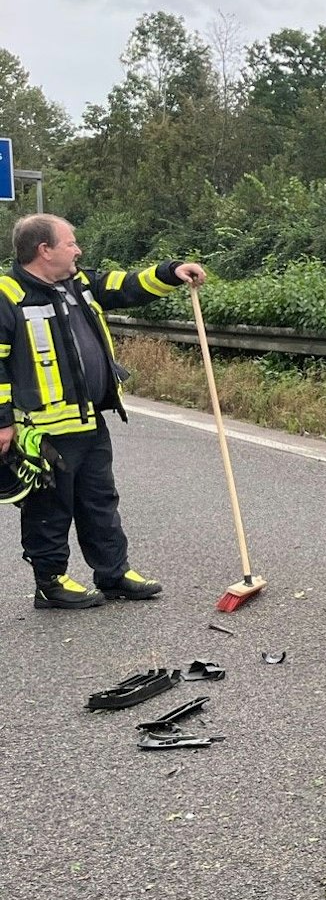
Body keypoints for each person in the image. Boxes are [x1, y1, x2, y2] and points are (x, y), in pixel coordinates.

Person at [0, 214, 205, 609]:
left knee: (100, 501)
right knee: (50, 508)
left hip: (89, 419)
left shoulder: (78, 283)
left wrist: (172, 272)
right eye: (70, 243)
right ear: (45, 250)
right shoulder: (7, 296)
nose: (78, 250)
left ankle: (113, 573)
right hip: (42, 430)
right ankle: (51, 583)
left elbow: (126, 285)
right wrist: (2, 422)